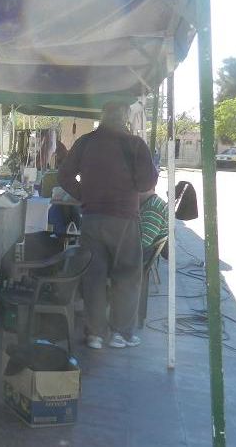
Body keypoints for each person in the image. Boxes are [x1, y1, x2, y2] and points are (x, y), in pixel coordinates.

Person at [59, 101, 158, 350]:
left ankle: (95, 335)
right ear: (124, 116)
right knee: (127, 276)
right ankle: (120, 334)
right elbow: (147, 183)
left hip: (92, 217)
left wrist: (83, 194)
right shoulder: (135, 144)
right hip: (124, 218)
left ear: (102, 116)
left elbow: (64, 175)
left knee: (94, 276)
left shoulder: (86, 142)